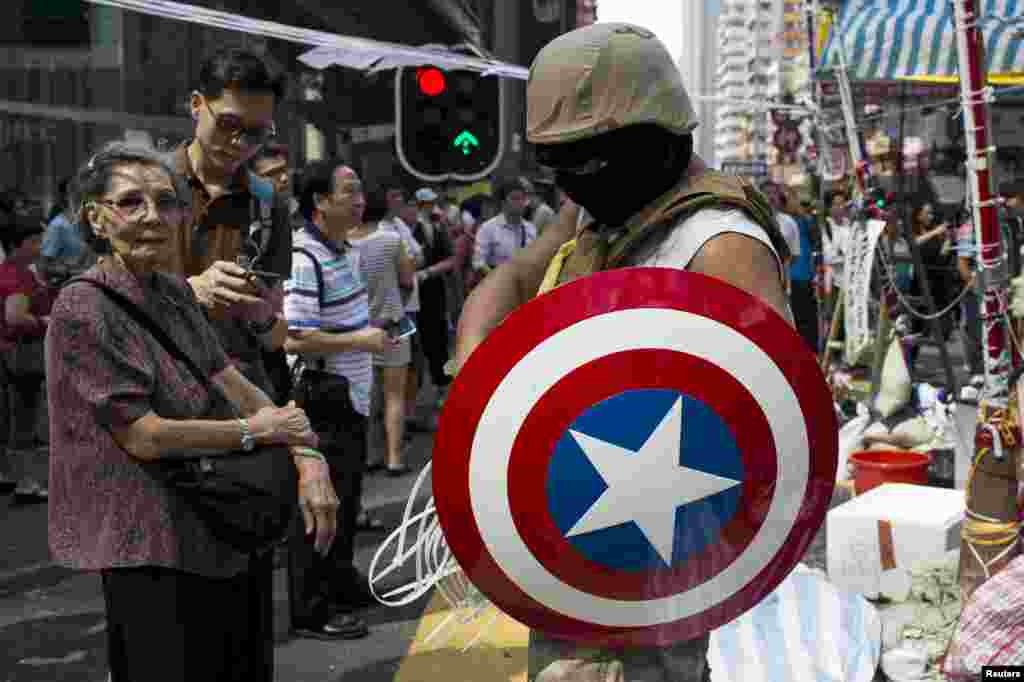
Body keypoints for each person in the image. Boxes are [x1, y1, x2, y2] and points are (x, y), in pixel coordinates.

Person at [454, 23, 791, 682]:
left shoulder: (720, 244)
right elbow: (518, 276)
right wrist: (475, 358)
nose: (575, 180)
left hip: (658, 560)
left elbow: (770, 431)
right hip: (568, 529)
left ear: (655, 140)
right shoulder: (597, 215)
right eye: (562, 162)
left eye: (591, 160)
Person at [46, 142, 327, 682]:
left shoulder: (173, 292)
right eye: (131, 202)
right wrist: (254, 432)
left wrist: (307, 456)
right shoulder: (84, 307)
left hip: (220, 524)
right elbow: (144, 437)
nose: (153, 216)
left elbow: (236, 384)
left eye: (166, 202)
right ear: (96, 218)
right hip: (148, 542)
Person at [167, 47, 340, 658]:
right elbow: (92, 303)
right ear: (197, 107)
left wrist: (265, 313)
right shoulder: (144, 188)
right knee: (164, 628)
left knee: (242, 627)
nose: (238, 142)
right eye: (228, 124)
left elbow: (267, 336)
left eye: (258, 132)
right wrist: (190, 290)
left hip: (241, 417)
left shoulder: (269, 204)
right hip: (153, 424)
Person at [284, 159, 393, 639]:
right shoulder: (303, 257)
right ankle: (311, 609)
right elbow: (296, 337)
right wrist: (361, 341)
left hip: (352, 394)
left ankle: (340, 582)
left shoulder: (344, 250)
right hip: (323, 397)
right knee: (320, 503)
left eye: (360, 190)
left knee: (347, 497)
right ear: (319, 202)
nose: (359, 199)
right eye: (348, 191)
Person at [349, 187, 417, 477]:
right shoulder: (392, 240)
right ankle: (394, 458)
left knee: (366, 396)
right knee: (394, 396)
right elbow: (407, 281)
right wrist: (395, 306)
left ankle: (370, 454)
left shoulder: (344, 244)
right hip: (392, 327)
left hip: (357, 330)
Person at [1, 217, 48, 501]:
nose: (40, 246)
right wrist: (45, 321)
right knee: (25, 420)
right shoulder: (17, 276)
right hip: (20, 354)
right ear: (21, 244)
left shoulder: (9, 271)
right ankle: (27, 483)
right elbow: (15, 318)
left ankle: (7, 474)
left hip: (8, 353)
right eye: (36, 241)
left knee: (9, 419)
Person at [412, 187, 457, 406]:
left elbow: (451, 259)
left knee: (438, 342)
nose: (428, 208)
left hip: (434, 292)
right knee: (414, 344)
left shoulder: (439, 227)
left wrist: (429, 272)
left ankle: (442, 388)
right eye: (423, 204)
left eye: (430, 204)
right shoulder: (408, 229)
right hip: (410, 294)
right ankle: (414, 394)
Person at [472, 177, 538, 277]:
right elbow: (478, 262)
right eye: (514, 198)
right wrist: (497, 279)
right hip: (497, 285)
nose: (520, 202)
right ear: (503, 202)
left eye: (522, 198)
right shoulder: (488, 228)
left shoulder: (530, 229)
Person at [40, 177, 95, 284]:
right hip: (70, 287)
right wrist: (71, 271)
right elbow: (44, 266)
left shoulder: (91, 221)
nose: (82, 193)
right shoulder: (58, 226)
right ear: (65, 196)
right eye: (75, 190)